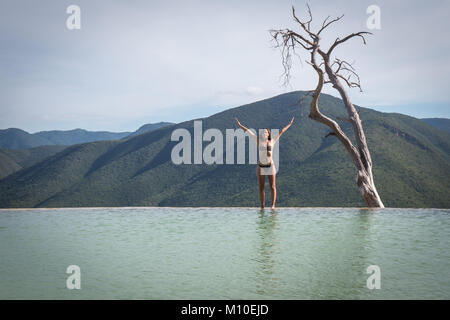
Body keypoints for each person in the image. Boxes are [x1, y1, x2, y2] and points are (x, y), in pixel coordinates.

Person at [234, 116, 294, 209]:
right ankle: (262, 206)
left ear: (268, 133)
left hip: (270, 166)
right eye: (262, 132)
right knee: (261, 187)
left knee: (272, 186)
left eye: (265, 132)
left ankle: (272, 205)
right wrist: (240, 125)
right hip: (261, 166)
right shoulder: (258, 140)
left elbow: (281, 131)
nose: (263, 133)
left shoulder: (272, 141)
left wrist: (289, 124)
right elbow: (248, 131)